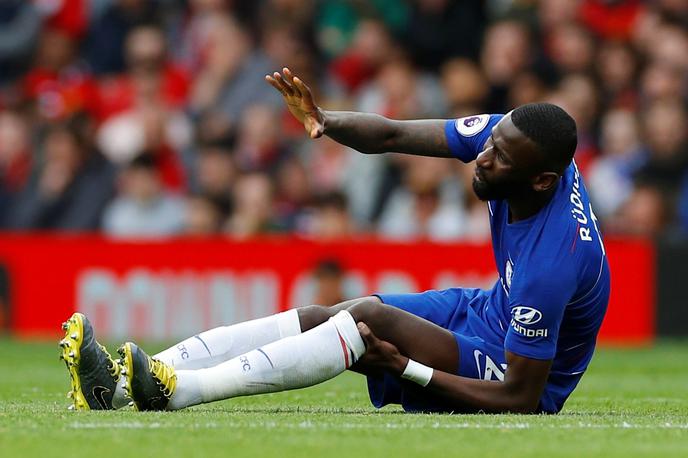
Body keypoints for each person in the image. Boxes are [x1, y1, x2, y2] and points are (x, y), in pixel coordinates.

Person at [59, 68, 609, 414]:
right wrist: (325, 120)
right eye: (489, 144)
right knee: (330, 315)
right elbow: (394, 134)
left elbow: (524, 397)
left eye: (500, 158)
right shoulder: (520, 143)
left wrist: (407, 370)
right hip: (491, 311)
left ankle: (179, 390)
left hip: (520, 370)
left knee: (372, 319)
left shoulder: (551, 263)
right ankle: (131, 381)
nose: (483, 157)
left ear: (542, 180)